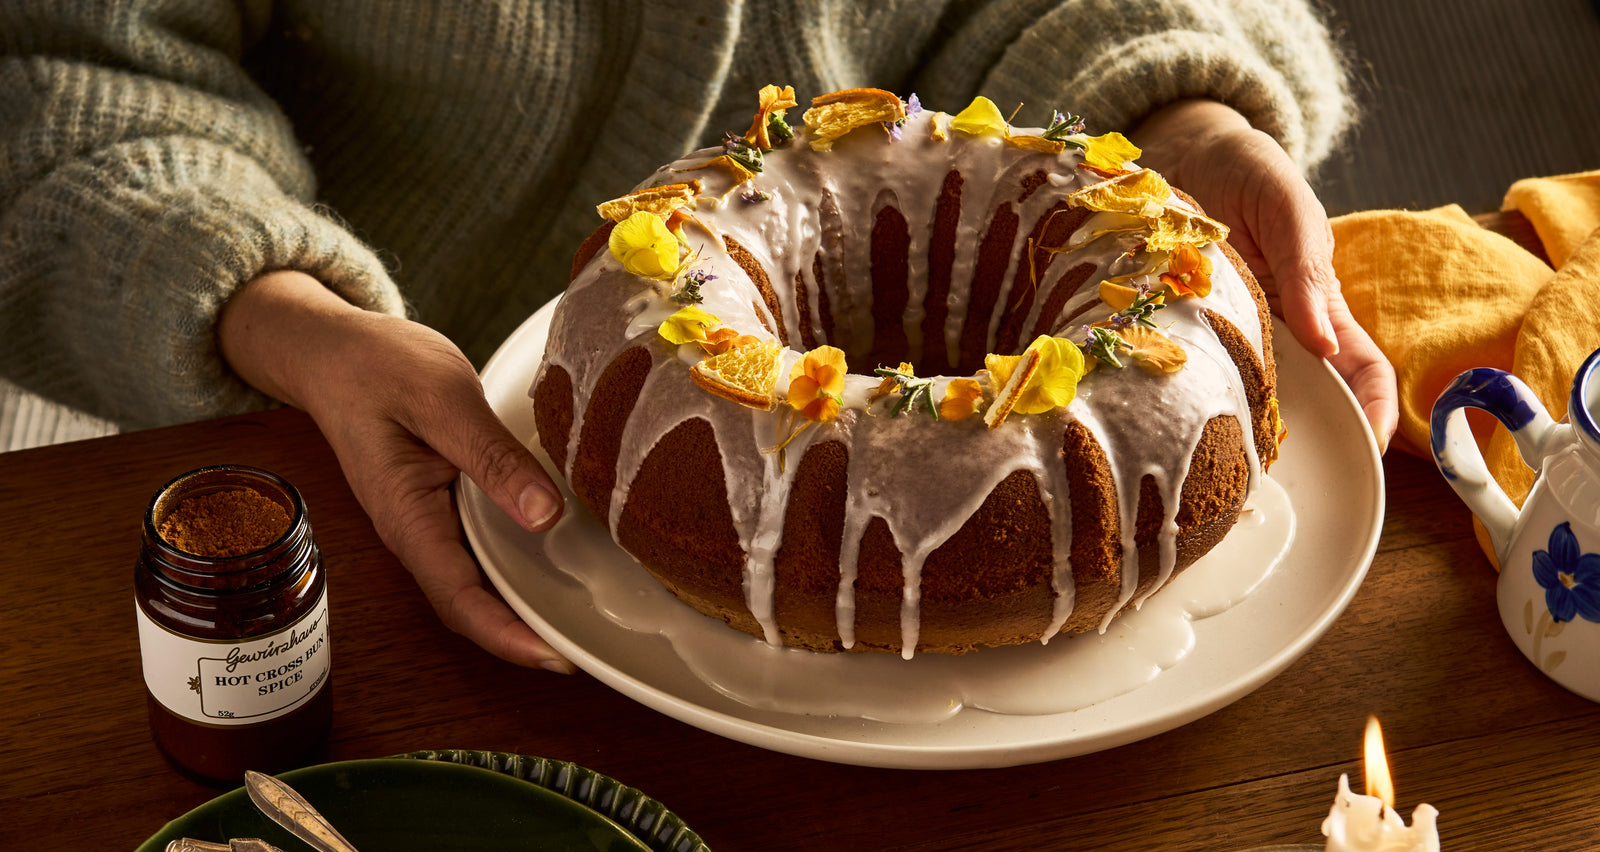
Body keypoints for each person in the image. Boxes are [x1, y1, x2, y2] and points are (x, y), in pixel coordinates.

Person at [0, 1, 1397, 672]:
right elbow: (62, 74)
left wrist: (1184, 109)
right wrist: (281, 311)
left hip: (1050, 413)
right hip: (362, 468)